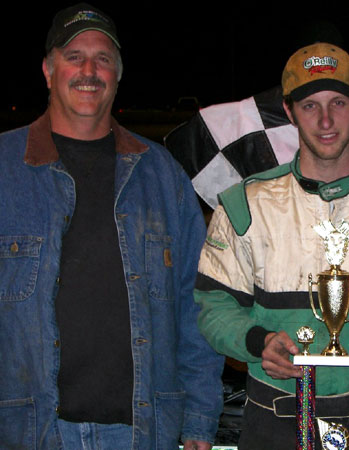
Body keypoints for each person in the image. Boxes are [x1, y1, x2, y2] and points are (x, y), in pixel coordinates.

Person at [195, 42, 349, 449]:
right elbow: (214, 307)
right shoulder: (244, 204)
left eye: (338, 103)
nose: (326, 119)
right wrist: (257, 343)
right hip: (275, 417)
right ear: (290, 111)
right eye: (310, 105)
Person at [0, 3, 224, 449]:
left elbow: (196, 304)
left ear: (118, 74)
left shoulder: (162, 176)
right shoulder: (5, 169)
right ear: (47, 70)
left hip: (143, 431)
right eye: (74, 56)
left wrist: (199, 419)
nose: (89, 70)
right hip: (27, 432)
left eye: (103, 58)